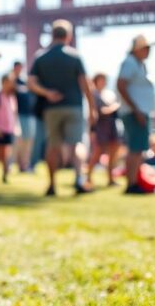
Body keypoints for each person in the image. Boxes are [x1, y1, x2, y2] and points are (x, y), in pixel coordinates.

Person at [28, 19, 97, 196]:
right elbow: (85, 84)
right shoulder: (74, 56)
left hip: (51, 108)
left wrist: (47, 93)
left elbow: (31, 83)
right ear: (68, 36)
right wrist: (92, 108)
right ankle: (78, 180)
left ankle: (52, 184)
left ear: (52, 35)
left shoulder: (41, 56)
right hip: (73, 106)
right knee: (76, 144)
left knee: (53, 146)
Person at [116, 34, 155, 195]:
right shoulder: (130, 63)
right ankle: (131, 183)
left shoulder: (138, 64)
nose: (148, 52)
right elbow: (121, 85)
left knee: (139, 148)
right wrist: (136, 109)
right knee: (135, 148)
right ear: (137, 49)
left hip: (140, 111)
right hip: (135, 112)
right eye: (145, 48)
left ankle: (135, 181)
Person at [86, 73, 121, 187]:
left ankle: (110, 179)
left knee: (113, 152)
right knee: (97, 152)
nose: (103, 82)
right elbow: (98, 111)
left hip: (111, 126)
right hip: (101, 127)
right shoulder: (93, 94)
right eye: (101, 80)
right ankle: (88, 177)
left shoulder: (109, 94)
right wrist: (113, 107)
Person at [12, 61, 36, 173]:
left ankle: (24, 165)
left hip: (28, 114)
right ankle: (13, 164)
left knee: (28, 141)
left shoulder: (23, 81)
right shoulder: (12, 81)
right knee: (18, 141)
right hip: (17, 115)